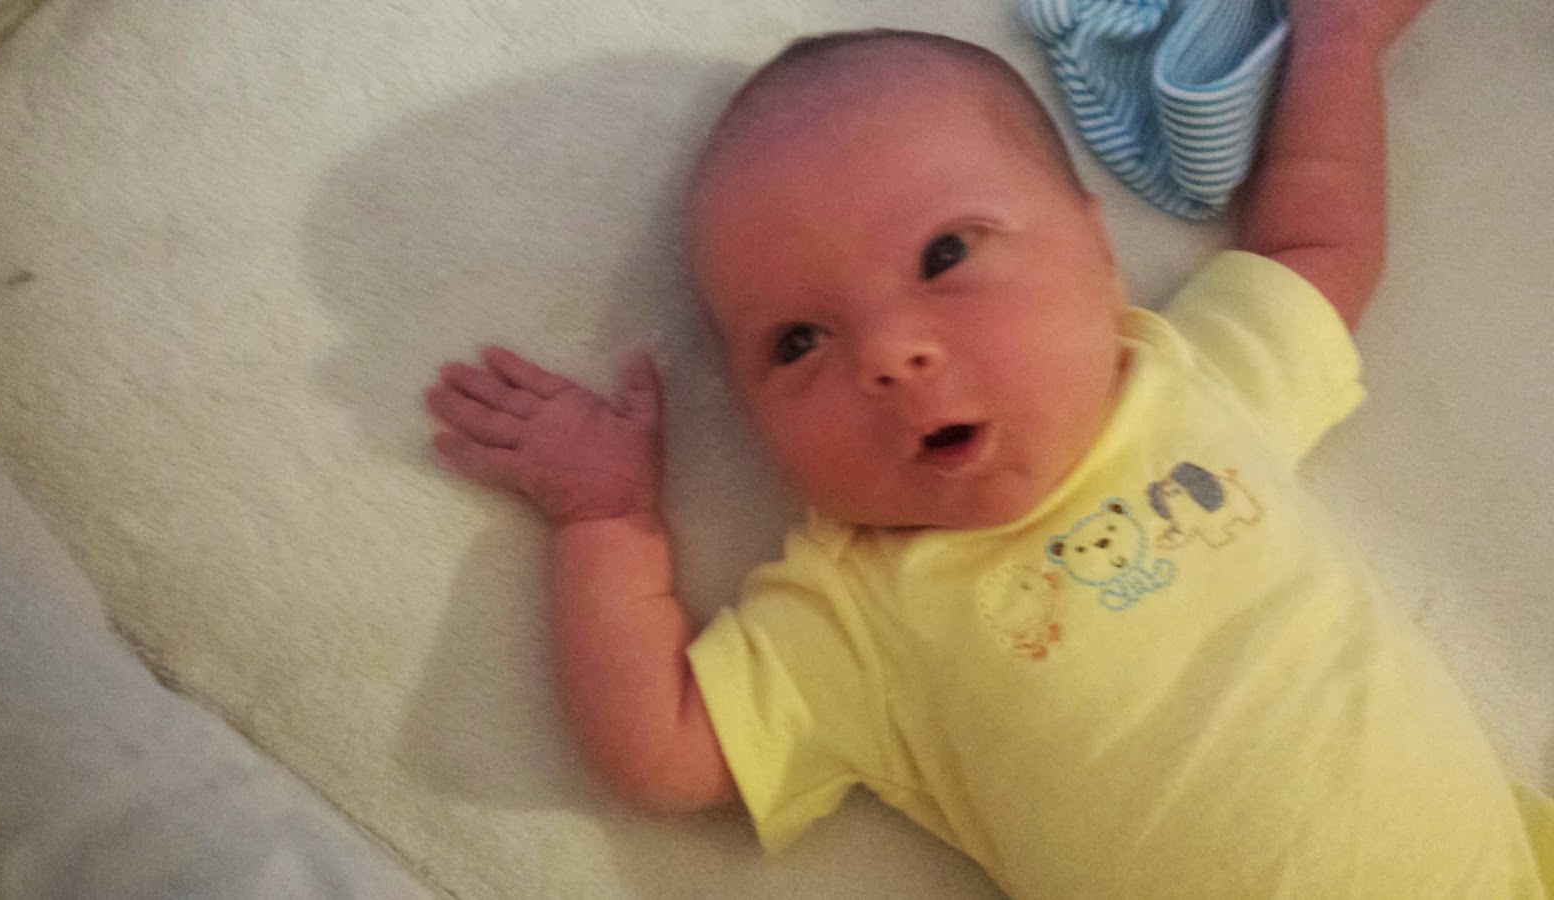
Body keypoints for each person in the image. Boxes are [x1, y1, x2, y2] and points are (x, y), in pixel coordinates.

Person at [425, 5, 1554, 896]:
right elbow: (666, 753)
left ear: (1095, 252)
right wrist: (609, 523)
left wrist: (1339, 40)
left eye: (944, 254)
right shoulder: (857, 612)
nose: (888, 354)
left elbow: (1316, 239)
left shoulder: (1190, 377)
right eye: (798, 342)